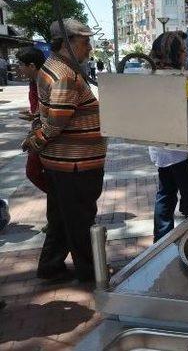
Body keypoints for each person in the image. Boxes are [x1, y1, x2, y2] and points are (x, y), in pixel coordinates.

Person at [21, 18, 107, 283]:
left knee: (61, 218)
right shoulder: (64, 74)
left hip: (64, 162)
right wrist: (36, 139)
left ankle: (50, 265)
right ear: (67, 43)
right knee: (81, 219)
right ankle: (90, 271)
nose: (89, 48)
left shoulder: (57, 67)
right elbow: (57, 119)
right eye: (84, 42)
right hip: (74, 163)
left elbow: (50, 114)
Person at [148, 32, 188, 242]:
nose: (185, 55)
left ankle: (161, 243)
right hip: (184, 152)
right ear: (173, 54)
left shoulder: (149, 78)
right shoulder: (180, 80)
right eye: (182, 50)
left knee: (165, 195)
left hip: (160, 151)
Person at [16, 47, 47, 193]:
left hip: (46, 133)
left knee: (32, 171)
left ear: (32, 66)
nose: (19, 68)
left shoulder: (46, 82)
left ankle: (62, 198)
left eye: (21, 64)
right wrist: (33, 115)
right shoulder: (34, 82)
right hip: (39, 129)